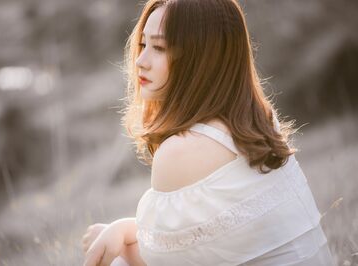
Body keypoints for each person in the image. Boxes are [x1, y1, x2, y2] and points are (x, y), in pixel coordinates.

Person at [82, 0, 335, 265]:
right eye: (143, 44)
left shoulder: (181, 152)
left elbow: (160, 262)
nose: (140, 61)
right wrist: (121, 229)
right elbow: (219, 232)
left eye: (158, 47)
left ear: (202, 59)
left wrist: (115, 241)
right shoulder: (257, 119)